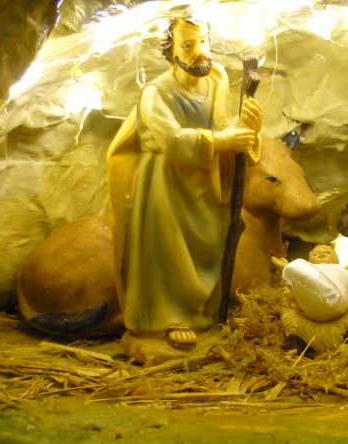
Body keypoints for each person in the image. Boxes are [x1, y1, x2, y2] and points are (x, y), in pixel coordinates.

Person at [106, 6, 262, 364]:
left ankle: (201, 313)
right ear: (171, 51)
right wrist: (223, 140)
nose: (199, 51)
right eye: (188, 45)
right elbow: (172, 140)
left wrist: (250, 128)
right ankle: (165, 318)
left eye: (202, 42)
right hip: (165, 184)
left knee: (208, 245)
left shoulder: (217, 80)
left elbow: (227, 130)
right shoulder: (155, 93)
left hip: (206, 184)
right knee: (167, 249)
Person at [274, 244, 348, 322]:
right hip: (313, 306)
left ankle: (325, 291)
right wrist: (288, 269)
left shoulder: (339, 269)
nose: (321, 254)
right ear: (309, 260)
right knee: (302, 275)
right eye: (315, 254)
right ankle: (293, 272)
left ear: (337, 259)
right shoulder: (308, 268)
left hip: (338, 299)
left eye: (327, 252)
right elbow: (296, 289)